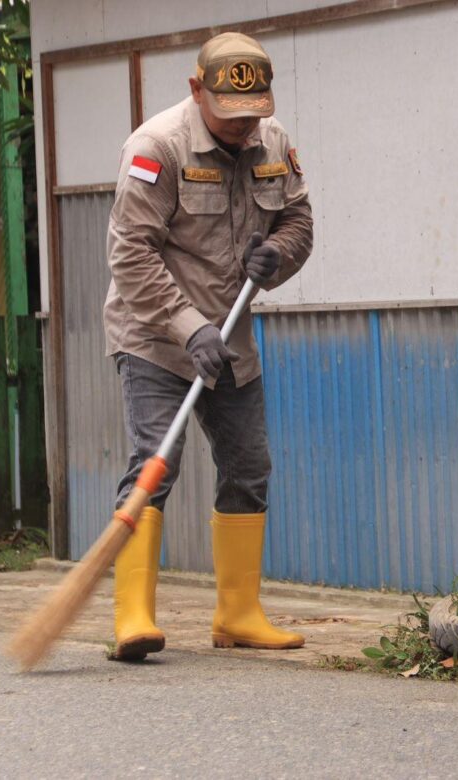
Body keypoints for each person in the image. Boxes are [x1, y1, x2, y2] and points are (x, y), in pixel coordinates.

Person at [103, 32, 314, 660]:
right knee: (154, 463)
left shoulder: (271, 140)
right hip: (155, 334)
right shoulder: (156, 148)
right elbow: (130, 253)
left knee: (249, 470)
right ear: (197, 90)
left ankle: (238, 613)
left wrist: (278, 254)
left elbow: (299, 220)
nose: (242, 129)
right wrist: (186, 325)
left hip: (231, 336)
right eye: (229, 116)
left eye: (253, 115)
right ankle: (133, 616)